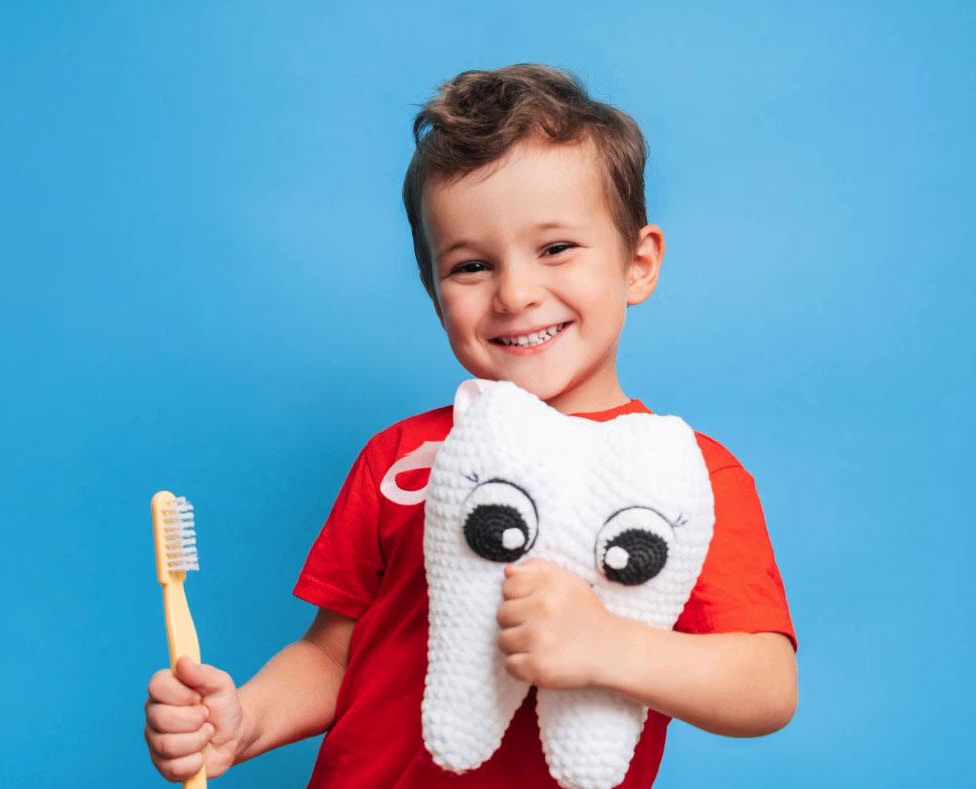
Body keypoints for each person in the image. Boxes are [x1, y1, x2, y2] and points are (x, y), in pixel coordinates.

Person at [143, 63, 798, 788]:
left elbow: (766, 684)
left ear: (638, 264)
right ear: (432, 291)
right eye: (472, 265)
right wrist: (244, 720)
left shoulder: (686, 476)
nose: (516, 293)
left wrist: (607, 645)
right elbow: (333, 656)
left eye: (556, 248)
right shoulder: (402, 459)